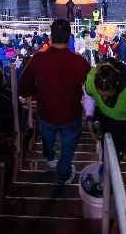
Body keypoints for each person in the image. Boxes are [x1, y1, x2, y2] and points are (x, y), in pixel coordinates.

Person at [19, 19, 90, 183]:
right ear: (69, 37)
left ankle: (50, 158)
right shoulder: (79, 61)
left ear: (51, 36)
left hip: (46, 114)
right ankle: (63, 173)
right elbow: (93, 86)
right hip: (70, 116)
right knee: (67, 151)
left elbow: (24, 85)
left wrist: (30, 97)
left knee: (48, 139)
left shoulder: (38, 58)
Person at [84, 59, 126, 198]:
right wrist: (89, 117)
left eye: (107, 94)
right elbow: (89, 96)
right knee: (108, 155)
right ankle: (109, 187)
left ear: (117, 87)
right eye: (100, 93)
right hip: (107, 121)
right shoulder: (91, 79)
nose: (103, 97)